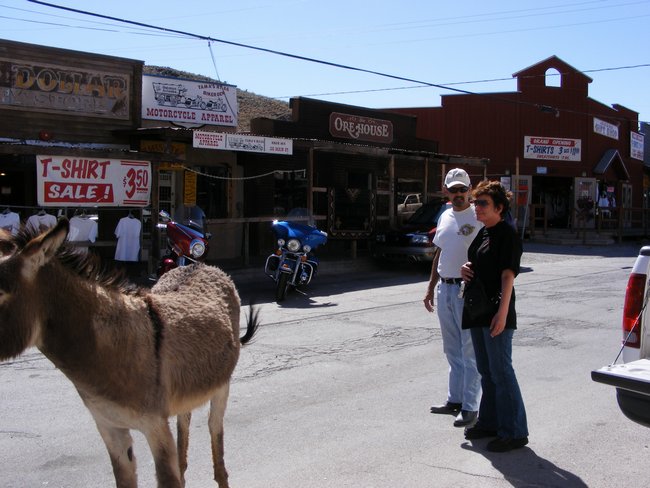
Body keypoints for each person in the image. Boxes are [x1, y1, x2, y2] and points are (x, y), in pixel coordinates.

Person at [461, 180, 528, 452]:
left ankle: (514, 431)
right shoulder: (483, 232)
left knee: (501, 372)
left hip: (495, 313)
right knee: (486, 371)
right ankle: (489, 422)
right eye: (475, 202)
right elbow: (479, 263)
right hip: (477, 311)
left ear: (499, 207)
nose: (476, 207)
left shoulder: (507, 234)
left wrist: (502, 314)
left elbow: (507, 274)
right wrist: (467, 267)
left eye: (483, 203)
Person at [423, 168, 483, 428]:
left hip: (466, 289)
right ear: (445, 191)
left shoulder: (478, 216)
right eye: (453, 190)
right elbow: (440, 253)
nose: (458, 194)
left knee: (469, 350)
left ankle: (470, 407)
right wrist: (430, 287)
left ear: (469, 190)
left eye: (462, 189)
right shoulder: (445, 215)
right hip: (445, 288)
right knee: (452, 349)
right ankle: (454, 400)